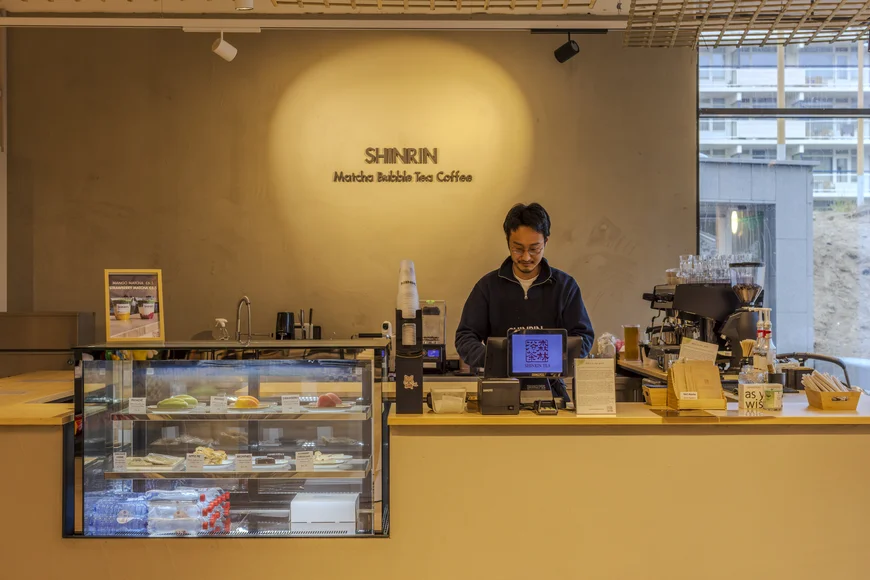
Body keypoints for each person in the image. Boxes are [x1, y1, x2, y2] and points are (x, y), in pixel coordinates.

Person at [455, 202, 594, 371]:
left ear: (546, 241)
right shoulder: (487, 287)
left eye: (534, 249)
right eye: (518, 249)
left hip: (552, 382)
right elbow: (465, 337)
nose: (526, 257)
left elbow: (583, 337)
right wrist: (493, 358)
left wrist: (545, 358)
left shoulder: (565, 287)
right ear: (508, 242)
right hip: (501, 382)